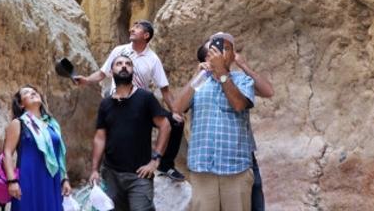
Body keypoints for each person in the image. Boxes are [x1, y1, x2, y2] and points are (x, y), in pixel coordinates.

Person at [74, 20, 186, 181]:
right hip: (116, 100)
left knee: (176, 123)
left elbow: (165, 90)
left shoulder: (153, 59)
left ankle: (165, 164)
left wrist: (175, 112)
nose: (131, 29)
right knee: (109, 133)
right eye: (132, 27)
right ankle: (103, 170)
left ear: (146, 35)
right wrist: (86, 80)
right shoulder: (120, 51)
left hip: (140, 104)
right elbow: (102, 74)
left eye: (137, 28)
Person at [173, 32, 255, 211]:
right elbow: (177, 108)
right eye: (215, 49)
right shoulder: (200, 82)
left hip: (236, 169)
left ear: (233, 56)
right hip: (203, 169)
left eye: (226, 49)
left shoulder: (243, 80)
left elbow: (239, 105)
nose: (219, 53)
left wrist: (222, 73)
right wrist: (198, 75)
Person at [89, 55, 171, 211]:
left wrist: (156, 160)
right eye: (119, 64)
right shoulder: (106, 103)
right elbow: (100, 137)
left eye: (128, 64)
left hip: (140, 176)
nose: (124, 66)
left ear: (133, 70)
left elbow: (165, 125)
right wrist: (94, 170)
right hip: (111, 174)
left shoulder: (145, 98)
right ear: (111, 71)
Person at [2, 85, 71, 211]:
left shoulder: (52, 124)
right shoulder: (18, 123)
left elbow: (59, 155)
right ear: (21, 104)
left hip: (51, 180)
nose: (33, 92)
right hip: (28, 180)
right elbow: (7, 153)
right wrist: (12, 181)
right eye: (27, 93)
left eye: (34, 91)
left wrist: (64, 178)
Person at [234, 50, 274, 211]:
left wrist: (243, 66)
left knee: (256, 202)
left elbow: (268, 91)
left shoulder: (239, 80)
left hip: (245, 153)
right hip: (221, 157)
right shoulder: (203, 82)